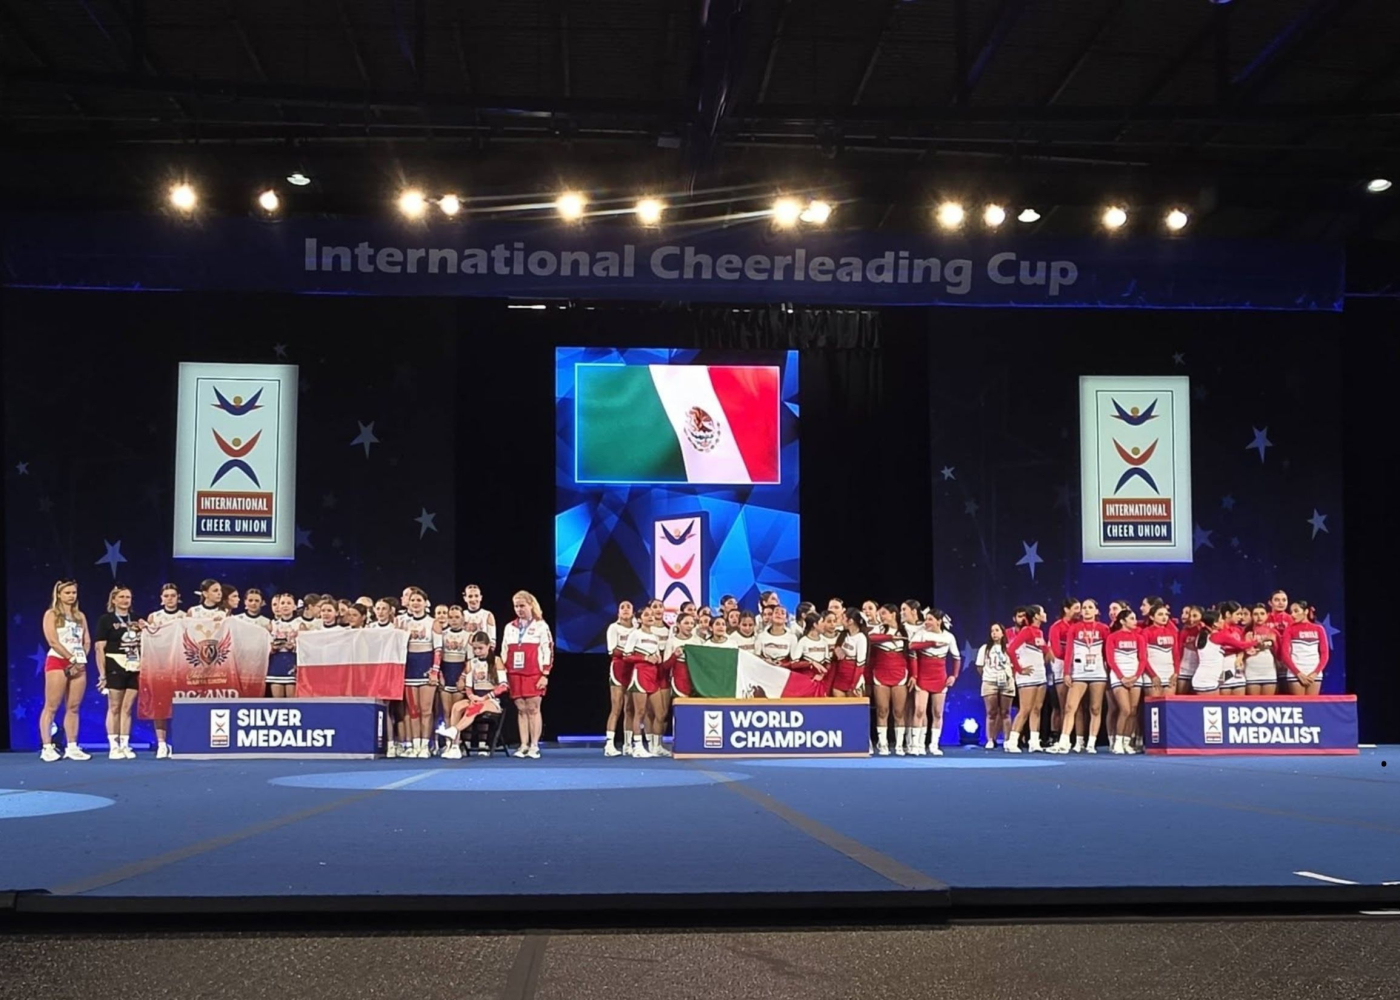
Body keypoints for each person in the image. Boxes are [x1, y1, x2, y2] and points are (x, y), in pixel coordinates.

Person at [39, 579, 91, 762]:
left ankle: (72, 746)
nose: (71, 596)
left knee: (74, 706)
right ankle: (47, 747)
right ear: (59, 594)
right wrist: (70, 658)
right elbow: (53, 641)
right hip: (58, 661)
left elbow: (86, 641)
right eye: (67, 593)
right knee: (52, 705)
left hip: (78, 664)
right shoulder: (51, 614)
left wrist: (80, 658)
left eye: (74, 593)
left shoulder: (80, 616)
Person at [1051, 598, 1111, 754]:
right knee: (1070, 707)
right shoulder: (1075, 628)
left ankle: (1091, 743)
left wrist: (1109, 672)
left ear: (1096, 611)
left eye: (1090, 607)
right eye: (1084, 607)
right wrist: (1066, 672)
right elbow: (1069, 651)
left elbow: (1108, 654)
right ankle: (1064, 742)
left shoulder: (1104, 629)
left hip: (1098, 673)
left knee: (1095, 708)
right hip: (1079, 672)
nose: (1086, 610)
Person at [501, 590, 554, 759]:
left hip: (534, 673)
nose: (519, 609)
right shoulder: (510, 627)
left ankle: (534, 745)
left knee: (533, 708)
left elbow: (548, 650)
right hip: (514, 673)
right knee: (521, 709)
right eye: (516, 606)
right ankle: (523, 745)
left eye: (522, 605)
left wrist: (545, 674)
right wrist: (504, 675)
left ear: (531, 605)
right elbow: (504, 651)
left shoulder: (541, 625)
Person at [437, 632, 508, 756]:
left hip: (491, 700)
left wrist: (485, 697)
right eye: (475, 648)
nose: (477, 651)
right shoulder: (471, 663)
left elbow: (503, 686)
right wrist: (471, 696)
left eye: (480, 648)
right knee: (457, 707)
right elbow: (468, 686)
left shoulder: (496, 661)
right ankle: (454, 747)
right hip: (475, 698)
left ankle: (455, 730)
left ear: (488, 646)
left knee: (475, 707)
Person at [94, 585, 141, 759]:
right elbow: (99, 648)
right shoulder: (105, 620)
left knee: (128, 708)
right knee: (114, 706)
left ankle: (125, 744)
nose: (125, 600)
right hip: (114, 665)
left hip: (134, 666)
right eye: (121, 597)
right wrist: (102, 674)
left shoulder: (136, 619)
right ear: (113, 600)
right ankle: (113, 745)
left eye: (128, 597)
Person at [907, 606, 960, 756]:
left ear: (939, 621)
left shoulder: (949, 637)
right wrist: (931, 643)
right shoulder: (922, 634)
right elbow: (911, 646)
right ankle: (917, 745)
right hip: (923, 676)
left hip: (940, 677)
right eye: (926, 619)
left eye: (930, 619)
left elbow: (956, 658)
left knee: (937, 712)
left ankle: (934, 744)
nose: (927, 622)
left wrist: (953, 676)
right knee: (920, 710)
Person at [145, 583, 185, 758]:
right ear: (161, 599)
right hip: (159, 668)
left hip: (180, 668)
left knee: (179, 706)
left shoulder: (185, 617)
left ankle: (178, 741)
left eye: (173, 595)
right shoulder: (154, 617)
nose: (170, 598)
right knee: (159, 705)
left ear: (178, 597)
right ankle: (161, 743)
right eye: (166, 595)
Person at [623, 605, 667, 758]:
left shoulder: (655, 637)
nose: (650, 617)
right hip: (640, 675)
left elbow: (655, 656)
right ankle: (638, 747)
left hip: (653, 677)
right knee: (640, 712)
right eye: (646, 615)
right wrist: (645, 658)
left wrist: (657, 658)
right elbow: (626, 656)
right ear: (640, 619)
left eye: (652, 615)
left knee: (660, 712)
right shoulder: (635, 634)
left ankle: (656, 746)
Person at [1006, 605, 1050, 753]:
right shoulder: (1026, 631)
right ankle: (1012, 741)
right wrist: (1019, 669)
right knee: (1025, 709)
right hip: (1027, 675)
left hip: (1040, 674)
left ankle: (1034, 741)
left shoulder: (1039, 632)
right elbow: (1011, 650)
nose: (1045, 614)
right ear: (1036, 616)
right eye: (1042, 612)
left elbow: (1043, 651)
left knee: (1037, 709)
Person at [400, 587, 437, 758]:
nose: (415, 603)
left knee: (426, 709)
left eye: (419, 600)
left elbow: (438, 649)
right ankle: (415, 745)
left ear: (425, 603)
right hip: (409, 668)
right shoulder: (402, 623)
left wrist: (435, 670)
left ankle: (425, 745)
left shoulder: (432, 622)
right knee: (412, 710)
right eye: (413, 600)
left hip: (426, 666)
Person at [867, 604, 909, 755]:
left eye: (884, 614)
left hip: (900, 675)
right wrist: (891, 637)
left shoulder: (906, 630)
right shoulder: (878, 629)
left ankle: (899, 744)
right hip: (880, 674)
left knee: (899, 712)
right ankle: (883, 744)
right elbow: (870, 638)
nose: (881, 617)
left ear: (893, 614)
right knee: (882, 711)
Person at [1107, 609, 1147, 754]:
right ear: (1122, 621)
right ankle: (1117, 742)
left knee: (1133, 711)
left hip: (1135, 676)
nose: (1135, 621)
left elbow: (1143, 659)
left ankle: (1126, 742)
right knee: (1125, 709)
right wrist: (1122, 677)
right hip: (1119, 676)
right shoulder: (1112, 637)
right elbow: (1110, 660)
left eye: (1135, 618)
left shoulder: (1139, 638)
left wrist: (1135, 676)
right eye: (1131, 618)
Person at [604, 600, 637, 757]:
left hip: (633, 669)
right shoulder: (613, 628)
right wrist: (630, 653)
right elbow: (613, 650)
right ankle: (609, 744)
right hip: (619, 668)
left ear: (633, 611)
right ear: (618, 612)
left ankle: (628, 744)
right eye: (622, 607)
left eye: (628, 607)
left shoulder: (637, 628)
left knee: (629, 708)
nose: (625, 610)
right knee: (616, 708)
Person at [436, 606, 472, 750]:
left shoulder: (468, 636)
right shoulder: (442, 635)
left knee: (457, 711)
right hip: (446, 673)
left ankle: (458, 742)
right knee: (446, 712)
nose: (454, 620)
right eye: (451, 617)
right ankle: (449, 743)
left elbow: (470, 661)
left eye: (457, 617)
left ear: (463, 619)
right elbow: (438, 657)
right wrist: (440, 675)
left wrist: (463, 677)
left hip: (459, 674)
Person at [1047, 598, 1080, 747]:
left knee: (1075, 705)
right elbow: (1057, 650)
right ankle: (1059, 737)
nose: (1079, 611)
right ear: (1066, 610)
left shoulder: (1078, 626)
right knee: (1062, 705)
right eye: (1076, 608)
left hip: (1078, 666)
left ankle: (1076, 738)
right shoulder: (1056, 627)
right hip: (1061, 666)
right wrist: (1069, 658)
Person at [975, 624, 1014, 749]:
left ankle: (1008, 740)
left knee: (1005, 712)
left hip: (1006, 682)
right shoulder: (985, 649)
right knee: (991, 712)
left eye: (997, 630)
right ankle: (990, 740)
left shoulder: (1009, 648)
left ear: (1003, 633)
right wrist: (988, 676)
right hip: (990, 682)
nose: (994, 633)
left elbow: (1015, 665)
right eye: (992, 631)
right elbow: (979, 666)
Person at [1280, 600, 1329, 695]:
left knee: (1312, 707)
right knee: (1299, 706)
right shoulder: (1289, 629)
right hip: (1296, 673)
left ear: (1306, 611)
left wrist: (1315, 673)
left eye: (1296, 611)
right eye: (1291, 612)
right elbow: (1285, 654)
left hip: (1314, 673)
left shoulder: (1319, 629)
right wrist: (1298, 673)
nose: (1292, 615)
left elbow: (1325, 654)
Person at [266, 591, 302, 699]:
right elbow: (263, 645)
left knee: (292, 701)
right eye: (282, 603)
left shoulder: (300, 624)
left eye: (288, 603)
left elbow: (307, 648)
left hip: (292, 662)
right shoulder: (271, 625)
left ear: (294, 606)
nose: (285, 605)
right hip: (276, 662)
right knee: (277, 701)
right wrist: (271, 648)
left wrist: (294, 647)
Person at [1140, 603, 1178, 697]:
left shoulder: (1172, 633)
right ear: (1152, 617)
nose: (1164, 617)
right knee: (1154, 709)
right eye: (1160, 614)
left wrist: (1176, 673)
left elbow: (1176, 655)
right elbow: (1143, 657)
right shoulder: (1146, 632)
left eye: (1166, 614)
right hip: (1152, 675)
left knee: (1169, 708)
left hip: (1169, 675)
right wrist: (1153, 675)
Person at [1243, 603, 1280, 696]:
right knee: (1253, 703)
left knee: (1268, 703)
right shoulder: (1245, 632)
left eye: (1262, 614)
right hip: (1252, 670)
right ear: (1251, 616)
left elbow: (1279, 652)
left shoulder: (1273, 632)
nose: (1259, 617)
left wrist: (1273, 643)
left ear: (1267, 615)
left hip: (1269, 670)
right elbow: (1243, 651)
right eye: (1255, 614)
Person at [830, 609, 868, 698]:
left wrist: (853, 685)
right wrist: (836, 649)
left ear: (850, 621)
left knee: (854, 710)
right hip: (840, 676)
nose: (841, 621)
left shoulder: (861, 638)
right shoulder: (843, 634)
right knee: (839, 709)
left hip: (853, 677)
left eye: (843, 618)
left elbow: (860, 665)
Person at [1174, 605, 1203, 694]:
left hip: (1199, 670)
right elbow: (1178, 652)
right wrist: (1176, 670)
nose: (1191, 619)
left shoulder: (1204, 631)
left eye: (1195, 616)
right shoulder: (1184, 632)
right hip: (1184, 669)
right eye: (1190, 616)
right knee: (1181, 698)